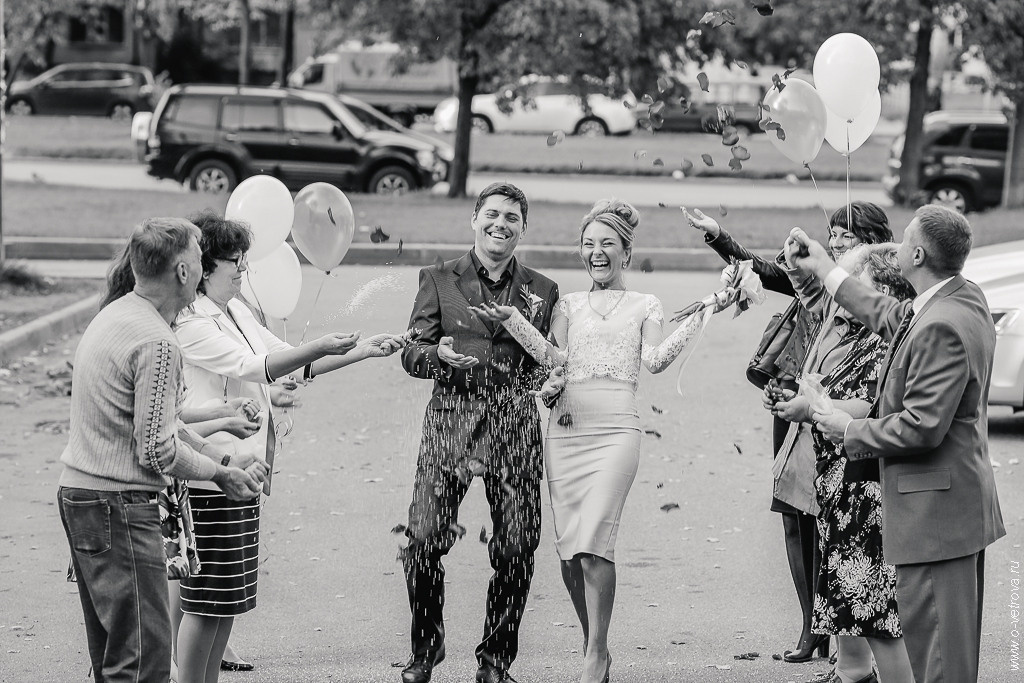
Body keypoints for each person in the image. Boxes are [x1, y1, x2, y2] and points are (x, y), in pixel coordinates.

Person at [471, 198, 737, 683]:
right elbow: (555, 360)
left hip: (616, 429)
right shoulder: (568, 304)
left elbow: (655, 360)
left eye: (607, 244)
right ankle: (597, 645)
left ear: (626, 253)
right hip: (567, 431)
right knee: (571, 553)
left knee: (595, 544)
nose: (597, 253)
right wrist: (512, 320)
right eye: (589, 244)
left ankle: (594, 656)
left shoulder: (645, 305)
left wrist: (706, 308)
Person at [173, 212, 407, 683]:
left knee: (228, 598)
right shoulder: (192, 321)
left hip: (245, 470)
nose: (243, 270)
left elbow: (285, 363)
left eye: (244, 261)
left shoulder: (235, 310)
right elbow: (257, 366)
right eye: (235, 262)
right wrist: (319, 345)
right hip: (209, 471)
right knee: (207, 598)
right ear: (204, 266)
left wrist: (361, 351)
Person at [788, 205, 1005, 683]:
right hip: (953, 507)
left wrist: (847, 430)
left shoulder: (941, 326)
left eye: (904, 239)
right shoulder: (959, 297)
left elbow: (922, 427)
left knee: (940, 660)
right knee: (944, 651)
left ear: (919, 254)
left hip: (935, 516)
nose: (895, 246)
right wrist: (826, 268)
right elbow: (887, 313)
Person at [57, 217, 266, 683]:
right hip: (118, 506)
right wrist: (222, 474)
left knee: (117, 658)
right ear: (183, 272)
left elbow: (161, 424)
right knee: (144, 663)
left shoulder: (118, 315)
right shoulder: (156, 340)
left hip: (86, 498)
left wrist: (225, 459)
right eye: (198, 255)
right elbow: (156, 448)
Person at [685, 201, 892, 665]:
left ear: (876, 240)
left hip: (840, 412)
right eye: (834, 232)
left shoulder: (871, 290)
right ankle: (811, 625)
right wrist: (718, 234)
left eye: (849, 235)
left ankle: (846, 646)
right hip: (793, 399)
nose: (837, 242)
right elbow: (765, 269)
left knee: (835, 521)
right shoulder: (814, 277)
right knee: (794, 515)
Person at [398, 182, 559, 683]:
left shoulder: (542, 290)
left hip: (514, 430)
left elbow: (541, 366)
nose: (500, 225)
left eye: (512, 217)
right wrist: (437, 357)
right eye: (492, 214)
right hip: (452, 426)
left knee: (516, 547)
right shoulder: (438, 278)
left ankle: (495, 662)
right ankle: (426, 649)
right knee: (422, 540)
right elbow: (411, 352)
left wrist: (548, 377)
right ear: (474, 219)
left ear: (523, 228)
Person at [770, 244, 916, 683]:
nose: (842, 291)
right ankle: (852, 673)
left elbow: (871, 405)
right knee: (849, 614)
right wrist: (801, 403)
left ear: (883, 289)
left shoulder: (887, 339)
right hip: (838, 488)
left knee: (873, 613)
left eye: (853, 281)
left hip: (866, 493)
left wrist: (815, 408)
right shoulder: (848, 335)